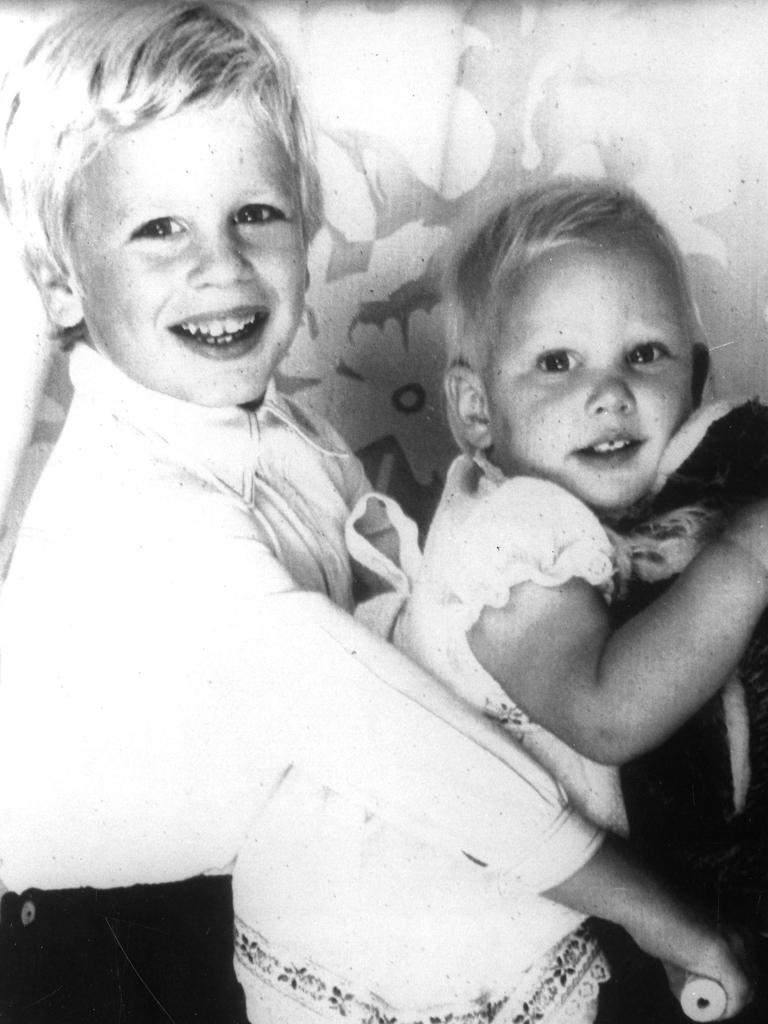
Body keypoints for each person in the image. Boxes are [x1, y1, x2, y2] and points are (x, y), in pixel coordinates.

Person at [0, 8, 754, 1021]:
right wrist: (668, 920)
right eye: (159, 227)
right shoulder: (152, 527)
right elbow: (415, 749)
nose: (219, 266)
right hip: (90, 951)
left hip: (254, 881)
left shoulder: (274, 429)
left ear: (309, 225)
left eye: (255, 213)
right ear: (57, 280)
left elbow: (407, 624)